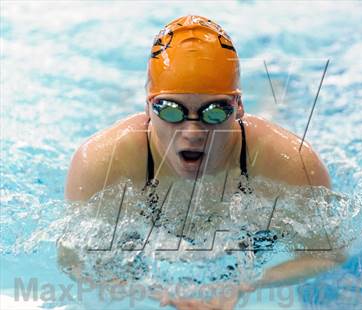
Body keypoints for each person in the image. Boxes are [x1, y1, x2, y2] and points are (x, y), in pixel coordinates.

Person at [64, 15, 345, 310]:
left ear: (238, 108)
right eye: (171, 110)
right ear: (148, 107)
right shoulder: (103, 162)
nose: (192, 132)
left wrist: (248, 284)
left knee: (275, 111)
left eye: (215, 112)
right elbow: (73, 260)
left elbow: (328, 253)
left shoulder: (289, 163)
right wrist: (151, 291)